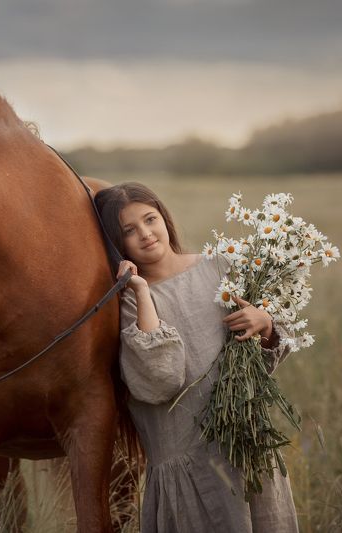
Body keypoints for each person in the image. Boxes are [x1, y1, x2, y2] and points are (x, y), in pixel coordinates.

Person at [94, 182, 298, 532]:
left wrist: (264, 323)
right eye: (129, 230)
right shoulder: (128, 301)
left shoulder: (219, 267)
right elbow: (159, 381)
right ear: (116, 244)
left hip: (245, 447)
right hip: (187, 464)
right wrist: (141, 291)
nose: (145, 234)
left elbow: (258, 365)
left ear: (164, 217)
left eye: (150, 219)